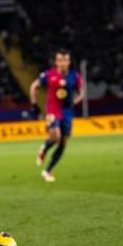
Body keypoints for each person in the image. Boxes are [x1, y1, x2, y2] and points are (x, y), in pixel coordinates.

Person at [29, 49, 83, 182]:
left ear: (69, 62)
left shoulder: (75, 76)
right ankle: (44, 148)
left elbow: (81, 92)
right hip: (52, 110)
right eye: (59, 60)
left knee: (63, 143)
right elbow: (34, 86)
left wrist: (76, 100)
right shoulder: (49, 75)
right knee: (56, 135)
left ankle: (47, 171)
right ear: (56, 62)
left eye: (65, 60)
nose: (62, 63)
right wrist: (34, 104)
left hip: (67, 112)